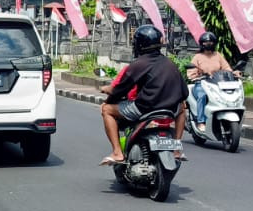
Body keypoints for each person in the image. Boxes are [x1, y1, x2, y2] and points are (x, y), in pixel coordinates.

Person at [100, 24, 189, 164]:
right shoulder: (170, 64)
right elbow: (185, 93)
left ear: (140, 44)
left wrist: (109, 96)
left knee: (107, 110)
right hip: (170, 109)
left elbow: (120, 90)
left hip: (145, 108)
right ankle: (177, 149)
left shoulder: (138, 64)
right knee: (182, 109)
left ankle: (117, 152)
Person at [186, 31, 236, 135]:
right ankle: (201, 122)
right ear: (201, 44)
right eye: (206, 42)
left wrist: (234, 73)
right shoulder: (197, 57)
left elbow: (226, 68)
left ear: (215, 43)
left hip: (216, 84)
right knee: (202, 96)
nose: (208, 44)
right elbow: (191, 72)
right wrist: (196, 75)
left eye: (211, 42)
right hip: (201, 84)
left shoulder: (218, 55)